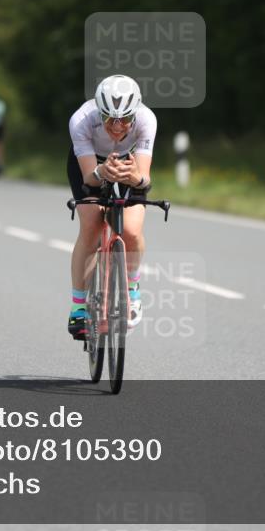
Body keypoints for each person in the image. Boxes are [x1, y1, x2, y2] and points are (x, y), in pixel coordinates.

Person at [66, 75, 156, 339]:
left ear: (134, 113)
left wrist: (136, 179)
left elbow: (145, 179)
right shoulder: (81, 120)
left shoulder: (147, 119)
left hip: (129, 162)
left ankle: (132, 288)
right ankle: (79, 306)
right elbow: (88, 178)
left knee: (131, 230)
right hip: (90, 164)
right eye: (109, 120)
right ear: (100, 111)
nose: (117, 127)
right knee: (92, 225)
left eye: (125, 120)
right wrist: (102, 171)